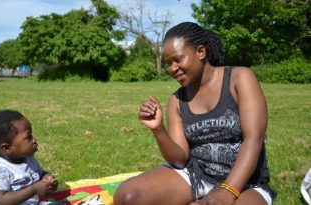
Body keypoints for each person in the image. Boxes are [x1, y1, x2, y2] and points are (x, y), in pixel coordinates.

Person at [114, 22, 275, 205]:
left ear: (200, 52)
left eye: (178, 59)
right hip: (196, 177)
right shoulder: (177, 100)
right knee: (127, 196)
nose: (172, 68)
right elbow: (180, 159)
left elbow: (254, 139)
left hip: (245, 181)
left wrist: (227, 190)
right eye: (168, 64)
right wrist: (158, 129)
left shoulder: (239, 78)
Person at [0, 110, 58, 205]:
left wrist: (48, 179)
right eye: (28, 137)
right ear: (7, 148)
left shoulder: (28, 159)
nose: (34, 139)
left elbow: (41, 174)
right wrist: (34, 190)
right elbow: (1, 200)